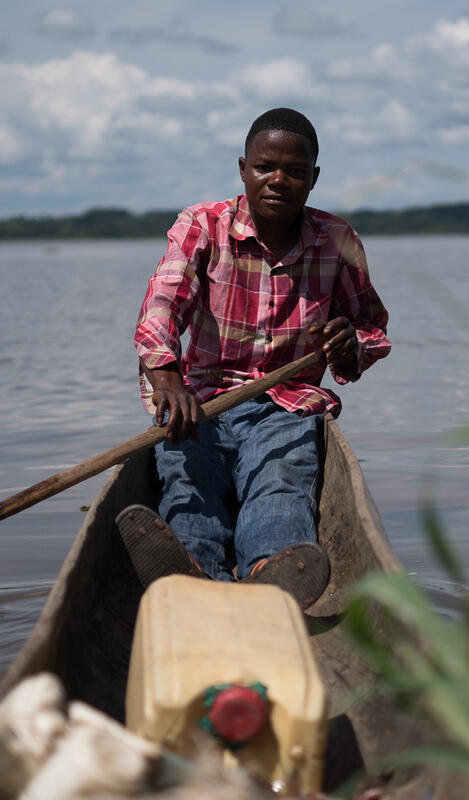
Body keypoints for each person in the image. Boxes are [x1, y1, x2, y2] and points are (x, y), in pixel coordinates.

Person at [117, 107, 390, 608]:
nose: (279, 180)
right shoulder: (203, 225)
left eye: (295, 171)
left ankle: (271, 569)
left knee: (281, 478)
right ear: (243, 170)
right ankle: (194, 567)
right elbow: (161, 308)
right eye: (265, 167)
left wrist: (352, 343)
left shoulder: (337, 240)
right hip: (200, 402)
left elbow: (372, 328)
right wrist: (167, 380)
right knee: (189, 477)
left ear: (314, 179)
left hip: (286, 404)